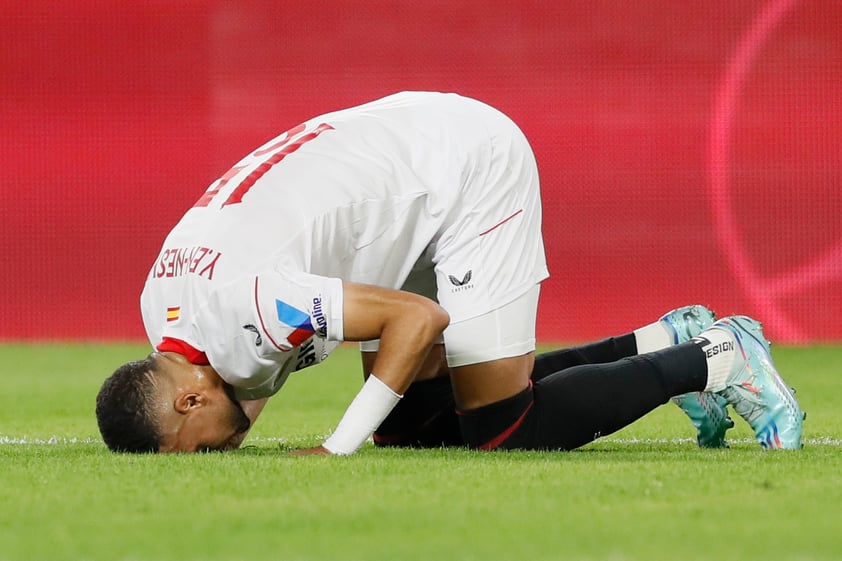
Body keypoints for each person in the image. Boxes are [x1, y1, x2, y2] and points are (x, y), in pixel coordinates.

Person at [95, 91, 804, 454]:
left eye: (209, 447)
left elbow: (416, 318)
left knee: (503, 424)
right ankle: (665, 340)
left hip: (461, 167)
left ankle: (717, 358)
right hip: (398, 168)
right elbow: (246, 369)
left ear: (188, 403)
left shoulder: (247, 303)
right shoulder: (167, 306)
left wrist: (336, 445)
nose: (229, 445)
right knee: (417, 426)